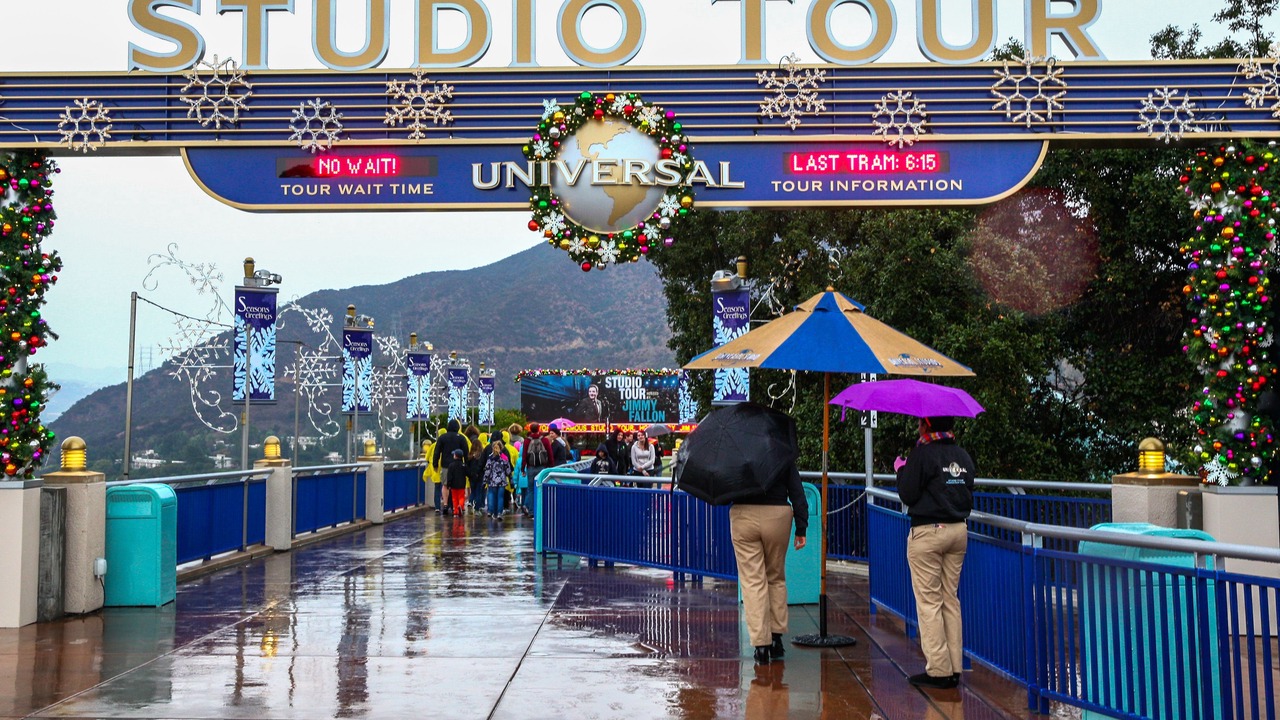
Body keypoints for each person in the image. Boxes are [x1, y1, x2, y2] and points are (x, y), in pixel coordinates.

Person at [895, 415, 976, 690]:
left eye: (919, 422)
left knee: (929, 602)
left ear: (926, 425)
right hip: (958, 531)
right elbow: (967, 488)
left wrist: (901, 470)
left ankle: (938, 670)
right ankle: (954, 667)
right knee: (949, 599)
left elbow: (907, 494)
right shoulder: (962, 456)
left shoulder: (922, 454)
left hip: (929, 533)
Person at [731, 451, 807, 665]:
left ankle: (760, 645)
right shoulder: (782, 452)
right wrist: (801, 526)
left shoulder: (735, 452)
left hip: (744, 515)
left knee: (753, 582)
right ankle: (776, 638)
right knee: (775, 577)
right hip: (777, 514)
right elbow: (797, 492)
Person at [522, 422, 553, 517]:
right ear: (539, 429)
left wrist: (523, 469)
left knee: (531, 490)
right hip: (542, 468)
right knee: (542, 488)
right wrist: (550, 466)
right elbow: (550, 454)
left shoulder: (527, 441)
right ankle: (541, 510)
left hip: (531, 467)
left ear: (530, 429)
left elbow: (524, 456)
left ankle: (531, 512)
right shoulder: (544, 440)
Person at [483, 439, 513, 518]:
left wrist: (484, 481)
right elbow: (508, 471)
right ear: (501, 448)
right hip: (502, 481)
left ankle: (491, 511)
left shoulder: (490, 458)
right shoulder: (504, 458)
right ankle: (499, 513)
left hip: (492, 481)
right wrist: (511, 479)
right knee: (500, 497)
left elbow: (487, 470)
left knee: (492, 495)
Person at [444, 448, 469, 517]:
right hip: (461, 484)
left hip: (453, 485)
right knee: (461, 497)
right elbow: (468, 473)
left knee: (454, 498)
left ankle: (455, 511)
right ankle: (460, 506)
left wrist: (449, 484)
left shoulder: (451, 465)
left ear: (455, 456)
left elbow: (449, 476)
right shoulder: (463, 465)